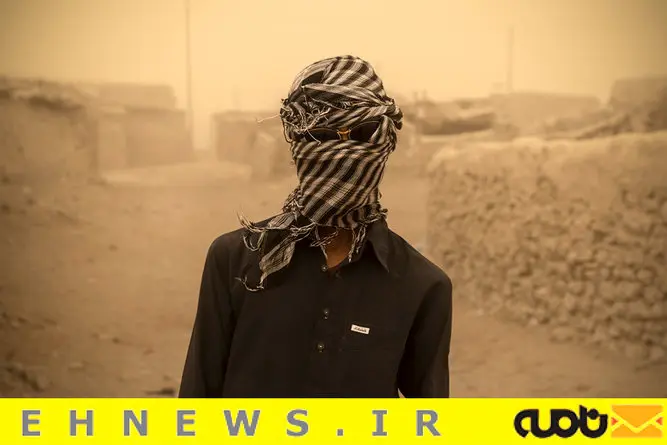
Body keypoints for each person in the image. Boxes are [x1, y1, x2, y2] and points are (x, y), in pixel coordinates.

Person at [178, 55, 453, 398]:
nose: (342, 150)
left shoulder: (421, 286)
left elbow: (428, 418)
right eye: (321, 135)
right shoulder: (235, 261)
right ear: (298, 142)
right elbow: (197, 400)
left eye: (360, 134)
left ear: (383, 142)